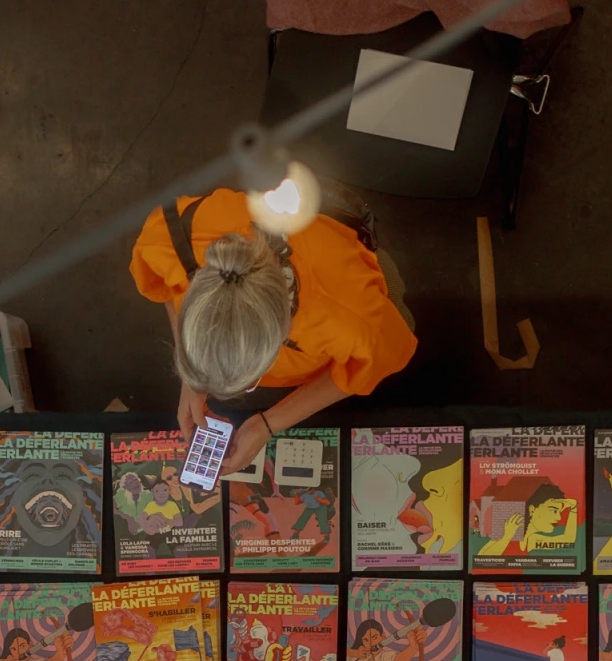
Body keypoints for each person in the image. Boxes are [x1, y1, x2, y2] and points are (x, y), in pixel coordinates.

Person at [131, 189, 416, 477]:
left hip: (355, 267)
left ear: (286, 332)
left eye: (251, 381)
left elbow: (382, 356)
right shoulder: (175, 236)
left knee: (402, 315)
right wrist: (194, 376)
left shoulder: (352, 322)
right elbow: (161, 278)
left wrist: (271, 423)